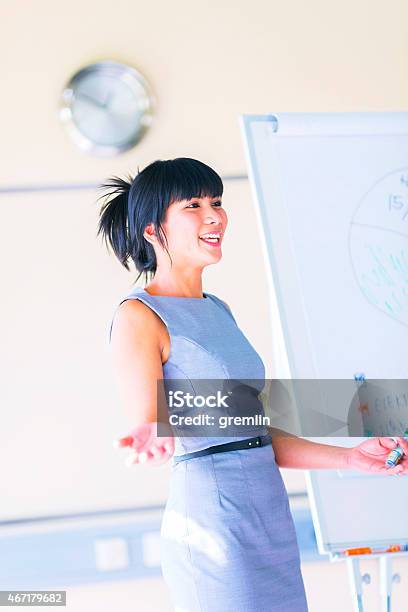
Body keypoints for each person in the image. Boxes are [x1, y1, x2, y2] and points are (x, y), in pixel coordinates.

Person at [97, 158, 408, 612]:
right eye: (194, 205)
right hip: (214, 525)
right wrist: (153, 430)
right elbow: (151, 421)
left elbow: (253, 431)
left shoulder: (218, 309)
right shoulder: (138, 316)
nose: (214, 216)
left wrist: (350, 458)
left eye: (217, 202)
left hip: (269, 517)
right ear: (151, 230)